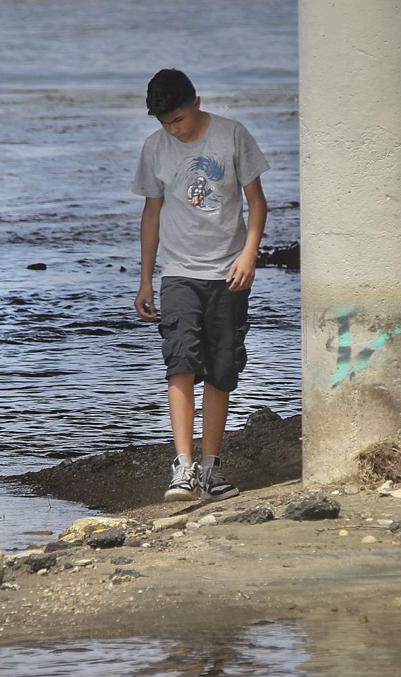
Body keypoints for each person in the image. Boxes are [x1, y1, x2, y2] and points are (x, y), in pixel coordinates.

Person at [131, 68, 269, 501]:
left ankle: (211, 469)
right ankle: (184, 467)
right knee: (180, 361)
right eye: (165, 123)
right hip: (178, 273)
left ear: (197, 102)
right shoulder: (155, 148)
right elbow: (151, 214)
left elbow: (257, 203)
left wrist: (248, 256)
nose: (174, 130)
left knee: (221, 370)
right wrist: (145, 280)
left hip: (228, 273)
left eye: (178, 120)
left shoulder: (232, 136)